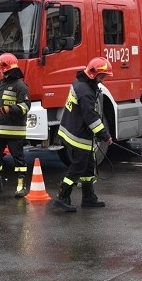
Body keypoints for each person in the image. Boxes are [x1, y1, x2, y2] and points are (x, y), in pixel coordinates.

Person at [53, 57, 114, 212]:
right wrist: (104, 135)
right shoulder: (85, 90)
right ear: (94, 74)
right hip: (77, 135)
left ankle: (88, 197)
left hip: (76, 131)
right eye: (102, 76)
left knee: (89, 165)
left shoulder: (82, 84)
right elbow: (91, 117)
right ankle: (62, 196)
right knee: (78, 167)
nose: (103, 80)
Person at [0, 53, 31, 197]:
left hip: (14, 131)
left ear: (7, 68)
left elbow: (26, 106)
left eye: (0, 68)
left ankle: (21, 186)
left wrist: (11, 109)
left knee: (18, 158)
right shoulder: (2, 85)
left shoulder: (21, 86)